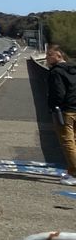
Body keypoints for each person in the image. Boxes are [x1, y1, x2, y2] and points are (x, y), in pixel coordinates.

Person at [45, 44, 76, 186]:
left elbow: (58, 93)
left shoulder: (56, 72)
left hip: (65, 111)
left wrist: (54, 108)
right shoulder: (72, 69)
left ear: (58, 55)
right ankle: (71, 171)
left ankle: (74, 173)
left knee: (68, 142)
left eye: (49, 55)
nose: (47, 58)